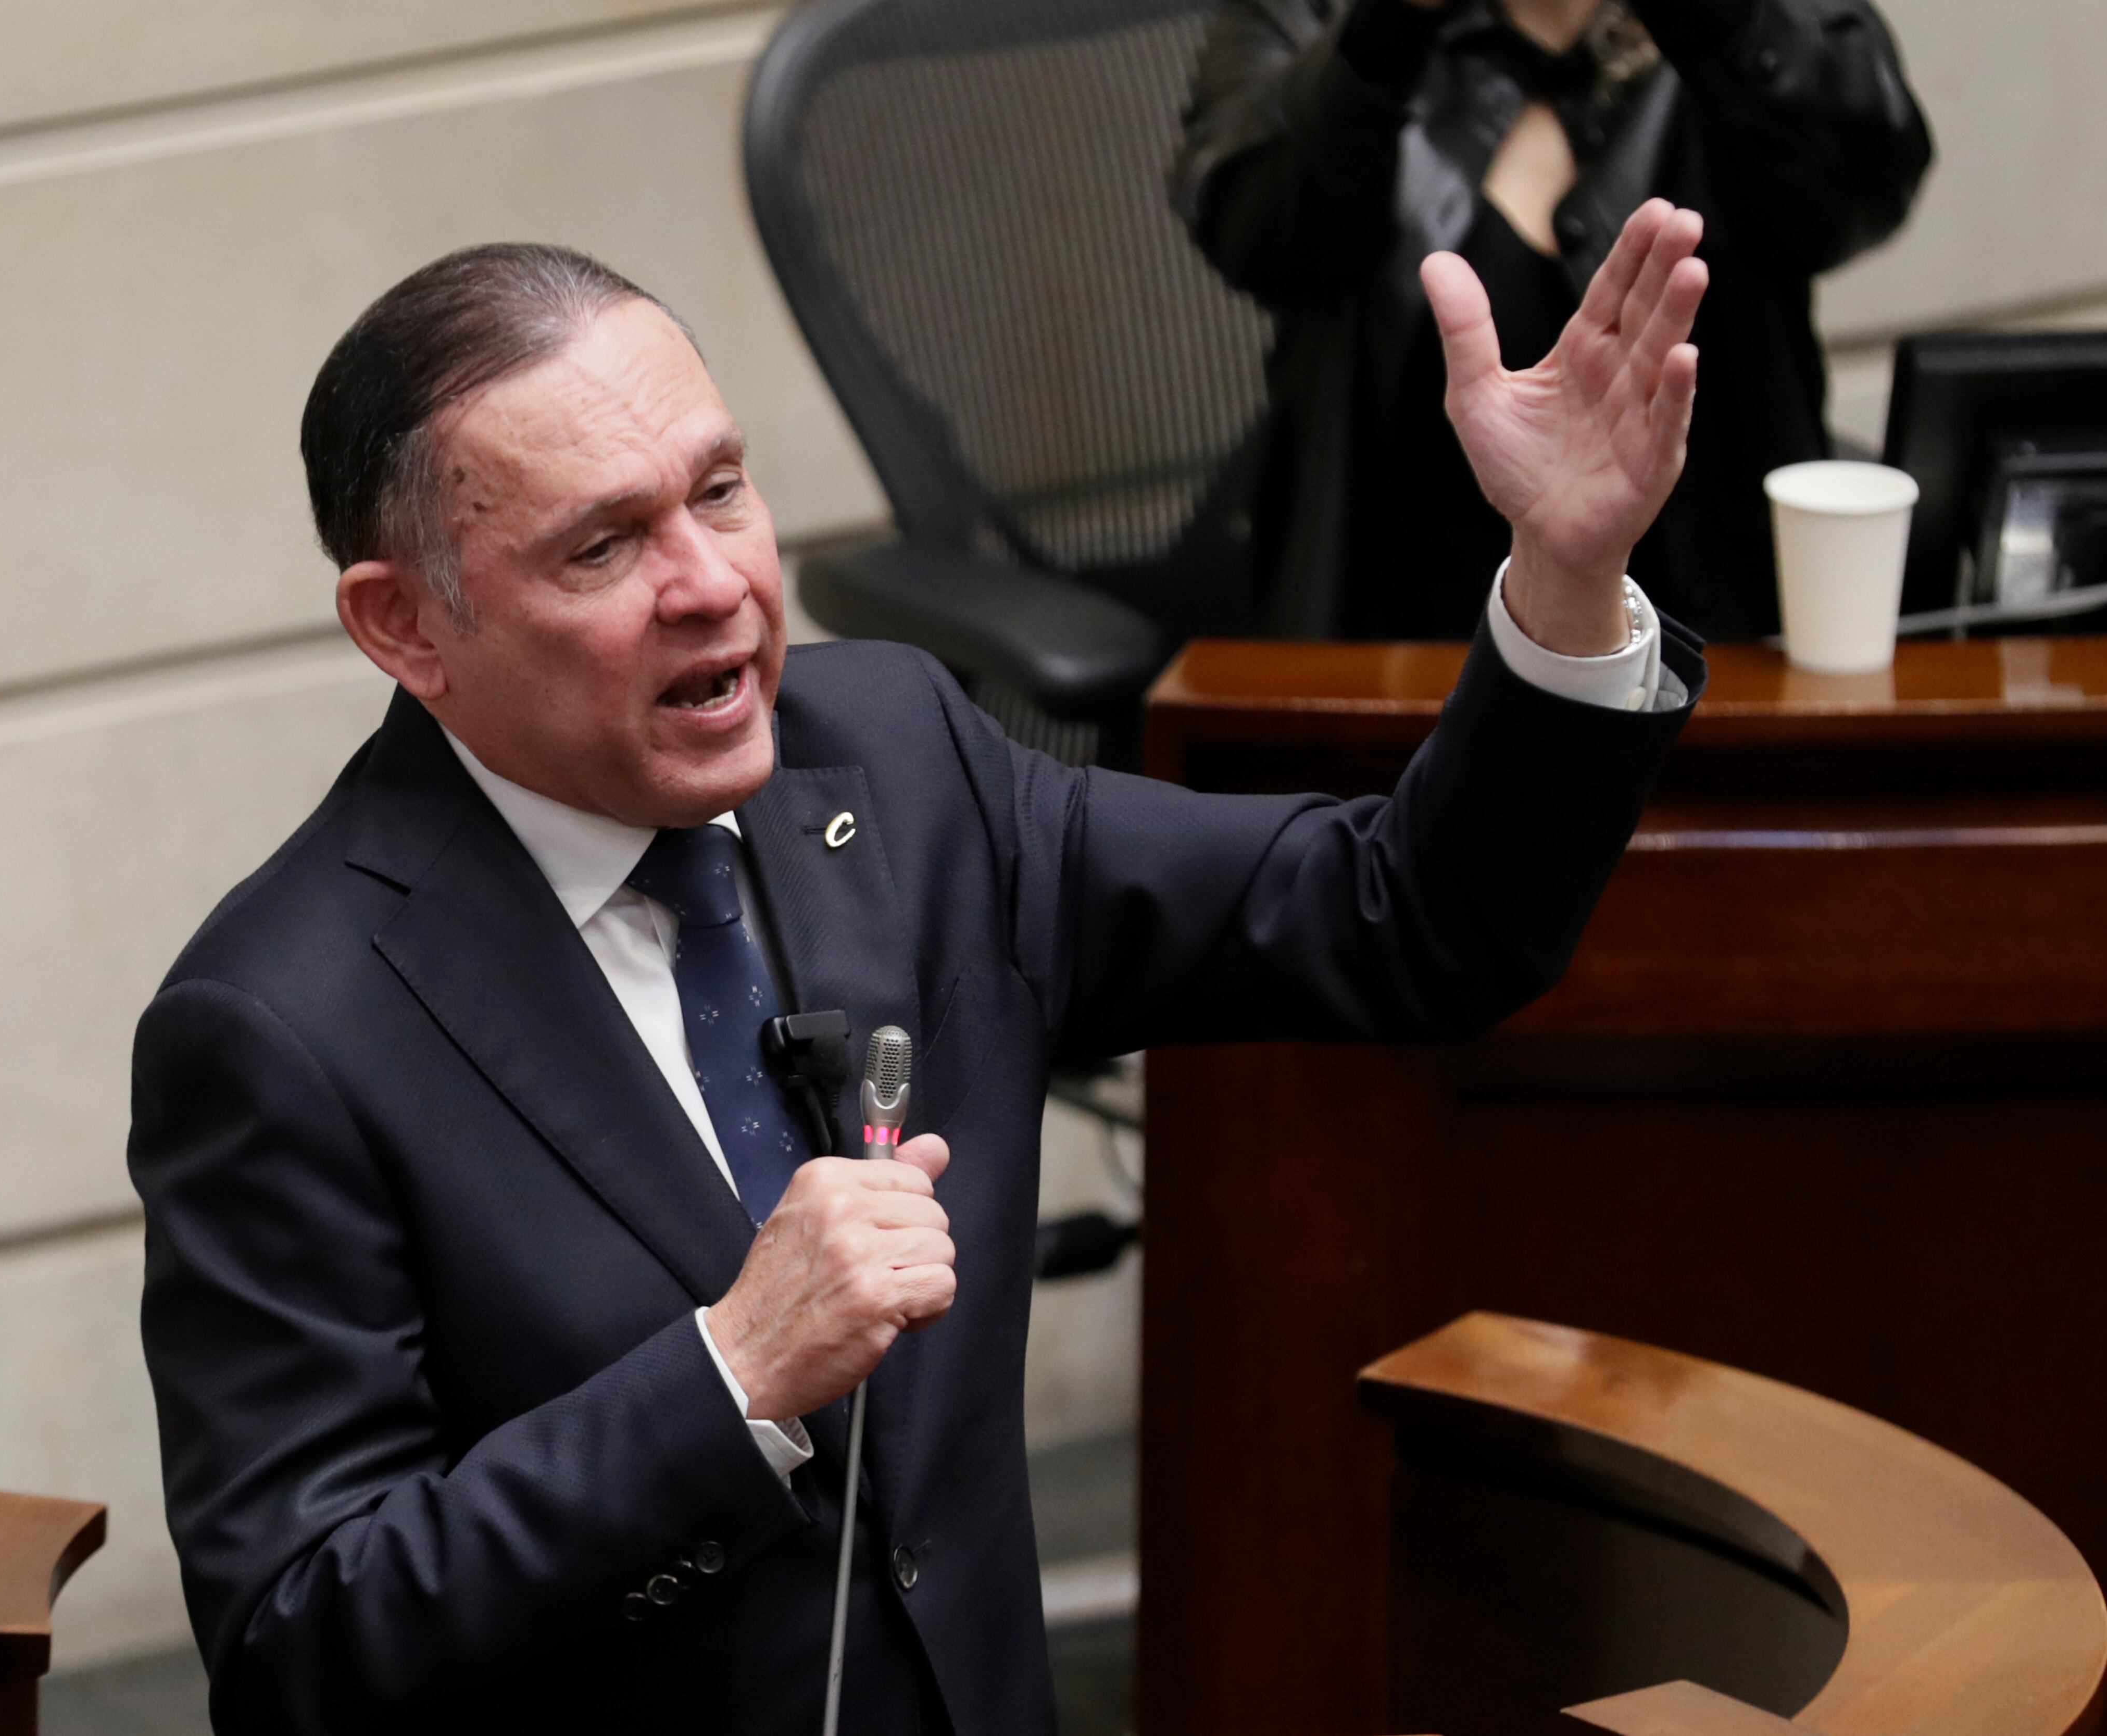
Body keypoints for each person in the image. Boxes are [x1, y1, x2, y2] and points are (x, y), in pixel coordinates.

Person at [129, 204, 1708, 1734]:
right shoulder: (285, 1025)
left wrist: (1566, 575)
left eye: (724, 491)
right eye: (605, 544)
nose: (713, 582)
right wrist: (730, 1372)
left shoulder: (894, 759)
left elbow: (1405, 918)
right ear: (405, 624)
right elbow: (304, 1646)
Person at [1173, 0, 1930, 642]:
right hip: (1394, 656)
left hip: (1710, 652)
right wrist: (1382, 32)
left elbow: (1861, 186)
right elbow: (1253, 230)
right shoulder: (1310, 12)